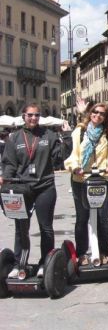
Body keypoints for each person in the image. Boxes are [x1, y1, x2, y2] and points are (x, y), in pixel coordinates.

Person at [1, 104, 62, 277]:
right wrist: (4, 179)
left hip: (45, 186)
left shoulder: (49, 135)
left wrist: (64, 137)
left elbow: (59, 159)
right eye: (30, 115)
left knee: (46, 227)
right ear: (23, 116)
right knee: (21, 227)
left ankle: (46, 262)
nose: (33, 118)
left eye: (36, 115)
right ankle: (19, 263)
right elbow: (10, 164)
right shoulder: (14, 138)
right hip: (22, 187)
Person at [64, 103, 108, 265]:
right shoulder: (80, 132)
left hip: (102, 180)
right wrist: (75, 167)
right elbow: (73, 153)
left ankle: (103, 250)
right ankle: (82, 252)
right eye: (95, 112)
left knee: (102, 218)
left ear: (106, 117)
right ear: (90, 113)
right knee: (82, 218)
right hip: (81, 180)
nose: (98, 115)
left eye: (102, 114)